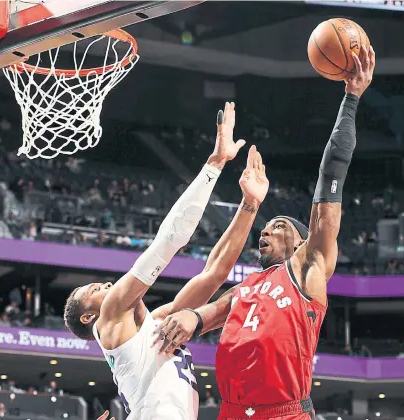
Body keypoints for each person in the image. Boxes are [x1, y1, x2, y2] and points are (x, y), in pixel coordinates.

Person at [152, 46, 376, 420]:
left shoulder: (308, 268)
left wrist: (351, 99)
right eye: (267, 226)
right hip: (232, 412)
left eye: (279, 226)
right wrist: (193, 318)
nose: (267, 230)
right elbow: (213, 311)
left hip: (284, 412)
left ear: (302, 241)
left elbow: (332, 171)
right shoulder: (248, 286)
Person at [64, 102, 269, 420]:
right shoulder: (111, 314)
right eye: (93, 289)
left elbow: (214, 273)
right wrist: (214, 164)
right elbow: (168, 241)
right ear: (89, 318)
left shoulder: (156, 326)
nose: (105, 283)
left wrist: (249, 205)